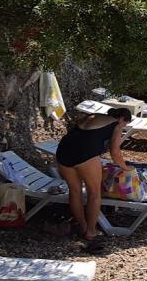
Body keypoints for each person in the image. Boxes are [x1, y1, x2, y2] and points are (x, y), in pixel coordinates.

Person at [55, 106, 133, 251]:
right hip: (84, 154)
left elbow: (82, 134)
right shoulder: (116, 124)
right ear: (123, 119)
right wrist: (126, 167)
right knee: (94, 194)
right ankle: (90, 232)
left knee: (75, 191)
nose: (124, 126)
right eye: (125, 124)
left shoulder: (93, 116)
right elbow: (115, 152)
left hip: (63, 150)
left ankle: (83, 226)